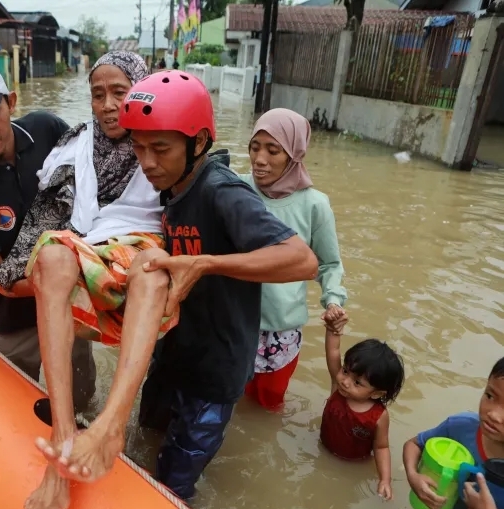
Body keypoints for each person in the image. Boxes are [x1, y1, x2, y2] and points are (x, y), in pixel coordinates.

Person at [124, 70, 319, 501]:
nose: (147, 162)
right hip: (172, 353)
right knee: (145, 437)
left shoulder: (222, 191)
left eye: (160, 148)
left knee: (172, 482)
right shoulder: (171, 184)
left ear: (198, 143)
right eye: (138, 147)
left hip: (214, 370)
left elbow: (302, 260)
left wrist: (206, 263)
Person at [0, 51, 174, 509]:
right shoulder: (75, 145)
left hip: (141, 257)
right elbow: (46, 220)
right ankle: (63, 434)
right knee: (52, 253)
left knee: (153, 269)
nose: (108, 105)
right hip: (92, 254)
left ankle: (111, 426)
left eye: (120, 92)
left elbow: (194, 208)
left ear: (142, 92)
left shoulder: (166, 142)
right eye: (97, 94)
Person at [0, 56, 96, 412]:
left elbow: (91, 186)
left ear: (11, 101)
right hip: (16, 321)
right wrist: (61, 282)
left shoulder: (47, 130)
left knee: (81, 398)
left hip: (72, 305)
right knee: (12, 408)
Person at [242, 107, 348, 411]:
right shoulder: (236, 189)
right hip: (235, 320)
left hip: (280, 329)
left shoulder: (315, 205)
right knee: (227, 398)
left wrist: (333, 301)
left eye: (273, 150)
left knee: (268, 404)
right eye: (254, 147)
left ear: (294, 154)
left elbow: (329, 263)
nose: (259, 159)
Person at [404, 357, 504, 509]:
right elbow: (414, 444)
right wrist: (413, 475)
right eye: (490, 396)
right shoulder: (461, 427)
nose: (493, 414)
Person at [322, 324, 404, 500]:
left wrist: (385, 480)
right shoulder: (338, 388)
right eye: (345, 371)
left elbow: (381, 447)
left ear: (376, 394)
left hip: (353, 464)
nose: (345, 381)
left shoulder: (379, 416)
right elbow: (333, 351)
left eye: (357, 382)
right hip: (323, 448)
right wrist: (332, 328)